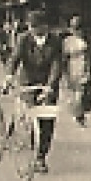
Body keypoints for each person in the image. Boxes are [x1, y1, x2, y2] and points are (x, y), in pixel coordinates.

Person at [9, 9, 64, 172]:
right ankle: (31, 144)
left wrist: (50, 86)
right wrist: (8, 76)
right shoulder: (23, 39)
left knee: (46, 121)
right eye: (31, 27)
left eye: (36, 27)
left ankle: (41, 157)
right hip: (28, 81)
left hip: (47, 84)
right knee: (32, 116)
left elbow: (57, 64)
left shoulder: (55, 41)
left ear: (45, 27)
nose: (33, 31)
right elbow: (15, 59)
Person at [62, 16, 91, 126]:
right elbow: (64, 58)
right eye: (74, 28)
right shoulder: (67, 41)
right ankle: (77, 113)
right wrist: (65, 72)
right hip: (72, 67)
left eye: (79, 28)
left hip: (83, 66)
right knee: (73, 93)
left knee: (81, 93)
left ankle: (80, 115)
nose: (77, 31)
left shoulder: (87, 41)